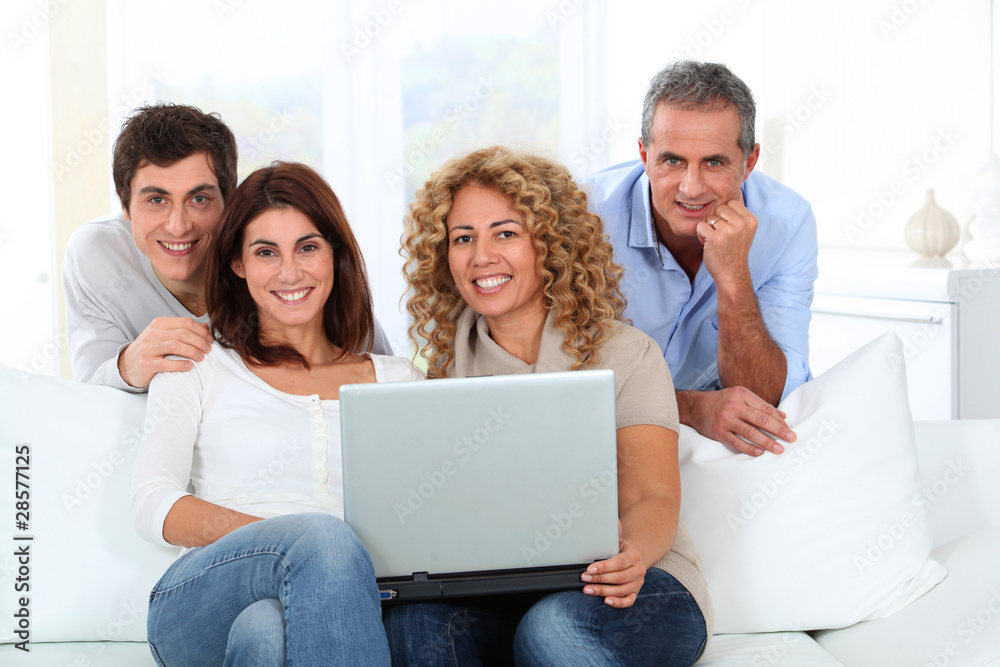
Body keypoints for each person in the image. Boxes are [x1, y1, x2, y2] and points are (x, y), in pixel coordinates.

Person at [387, 146, 711, 666]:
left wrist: (632, 555)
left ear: (551, 244)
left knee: (552, 626)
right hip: (500, 594)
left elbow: (653, 496)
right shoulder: (441, 370)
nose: (481, 256)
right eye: (462, 238)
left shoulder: (626, 354)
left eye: (506, 233)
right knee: (415, 621)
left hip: (639, 584)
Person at [130, 161, 421, 665]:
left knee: (265, 630)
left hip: (347, 602)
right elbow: (153, 503)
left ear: (335, 255)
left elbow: (428, 515)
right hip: (200, 597)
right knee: (321, 537)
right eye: (266, 252)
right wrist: (290, 542)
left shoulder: (398, 381)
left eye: (307, 247)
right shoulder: (198, 364)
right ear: (238, 265)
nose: (290, 272)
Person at [64, 102, 392, 392]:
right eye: (157, 199)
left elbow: (380, 380)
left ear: (229, 199)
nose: (178, 226)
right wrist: (126, 367)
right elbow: (90, 407)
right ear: (124, 203)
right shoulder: (97, 255)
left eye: (199, 199)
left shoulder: (274, 262)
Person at [585, 60, 819, 457]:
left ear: (749, 162)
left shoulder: (788, 223)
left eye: (714, 162)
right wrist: (691, 407)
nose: (691, 189)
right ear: (644, 155)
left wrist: (732, 279)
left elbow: (767, 399)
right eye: (672, 160)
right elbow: (556, 383)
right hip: (600, 441)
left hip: (719, 455)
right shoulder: (585, 218)